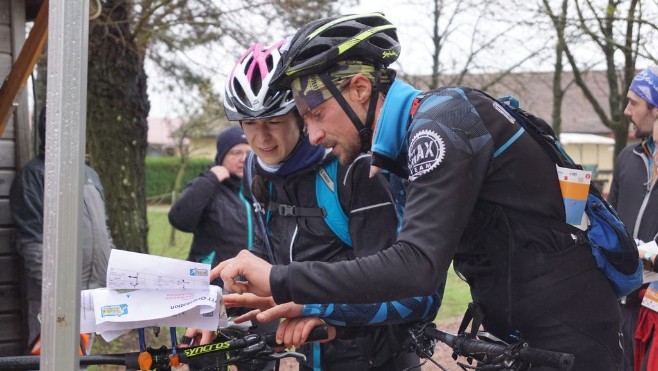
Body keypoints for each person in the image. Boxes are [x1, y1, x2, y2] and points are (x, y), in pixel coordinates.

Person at [213, 13, 624, 370]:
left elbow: (416, 266)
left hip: (570, 335)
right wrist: (316, 308)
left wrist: (280, 279)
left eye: (316, 114)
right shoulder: (401, 144)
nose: (315, 135)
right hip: (521, 333)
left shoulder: (440, 124)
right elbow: (415, 289)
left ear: (359, 88)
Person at [217, 40, 439, 370]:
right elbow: (272, 244)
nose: (261, 139)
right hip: (310, 353)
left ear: (301, 115)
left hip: (378, 357)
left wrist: (315, 306)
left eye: (274, 122)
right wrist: (227, 294)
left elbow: (400, 284)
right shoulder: (255, 170)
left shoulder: (354, 168)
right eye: (249, 125)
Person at [9, 106, 114, 355]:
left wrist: (112, 273)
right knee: (53, 360)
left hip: (94, 292)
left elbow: (104, 229)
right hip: (56, 300)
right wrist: (58, 292)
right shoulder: (34, 176)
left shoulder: (90, 174)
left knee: (82, 360)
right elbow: (32, 243)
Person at [609, 65, 658, 371]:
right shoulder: (627, 158)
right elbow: (611, 221)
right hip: (619, 303)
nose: (627, 111)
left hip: (654, 306)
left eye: (634, 103)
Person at [168, 125, 251, 268]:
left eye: (249, 153)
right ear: (222, 156)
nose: (243, 159)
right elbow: (179, 219)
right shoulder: (208, 186)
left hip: (250, 283)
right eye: (236, 153)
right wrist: (211, 178)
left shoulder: (260, 188)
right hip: (212, 281)